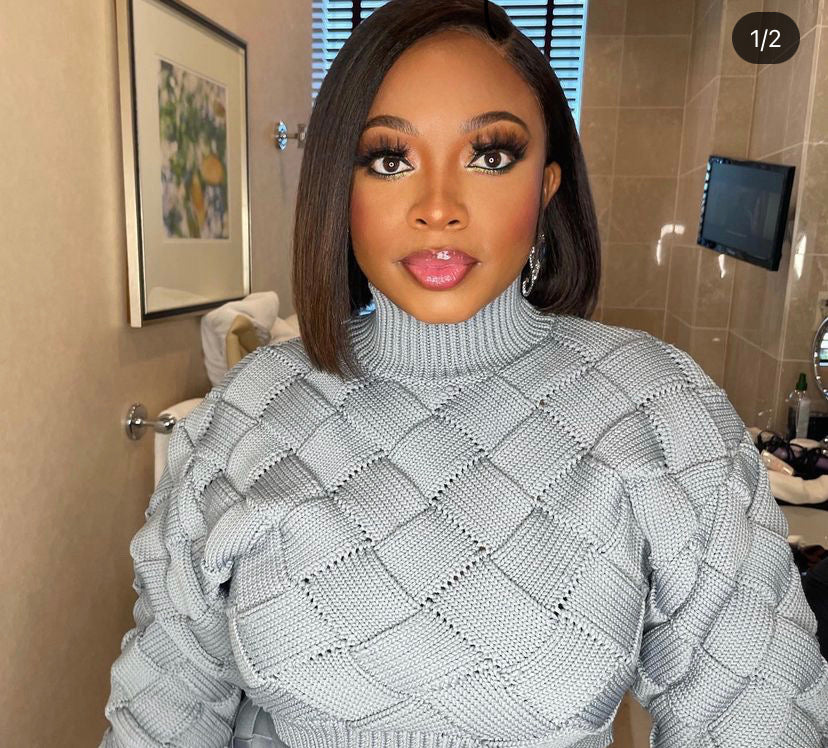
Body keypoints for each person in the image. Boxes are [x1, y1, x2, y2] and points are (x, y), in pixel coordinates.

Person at [99, 1, 828, 746]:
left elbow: (760, 714)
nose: (438, 208)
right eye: (390, 160)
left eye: (490, 156)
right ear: (339, 190)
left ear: (547, 187)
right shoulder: (247, 414)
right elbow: (164, 709)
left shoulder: (660, 409)